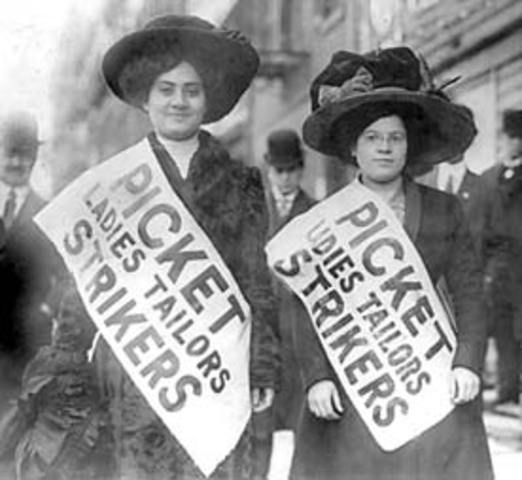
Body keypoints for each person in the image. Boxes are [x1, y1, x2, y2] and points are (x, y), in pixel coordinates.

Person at [290, 47, 493, 480]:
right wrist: (316, 378)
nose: (384, 148)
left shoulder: (444, 210)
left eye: (395, 138)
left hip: (431, 381)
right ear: (352, 148)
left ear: (409, 146)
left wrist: (467, 362)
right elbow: (304, 307)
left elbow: (471, 294)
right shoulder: (320, 223)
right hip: (353, 387)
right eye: (372, 137)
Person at [94, 14, 280, 479]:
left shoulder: (243, 183)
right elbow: (85, 292)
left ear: (208, 98)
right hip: (142, 378)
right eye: (166, 89)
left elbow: (257, 281)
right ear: (145, 97)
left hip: (220, 374)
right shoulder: (114, 187)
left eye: (192, 90)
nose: (179, 101)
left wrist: (261, 364)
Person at [251, 129, 315, 479]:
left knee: (305, 430)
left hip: (300, 339)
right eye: (280, 170)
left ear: (302, 169)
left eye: (292, 170)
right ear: (268, 169)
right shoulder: (251, 212)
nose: (286, 177)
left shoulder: (317, 214)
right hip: (260, 340)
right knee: (260, 430)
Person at [0, 111, 60, 416]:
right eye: (10, 153)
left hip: (25, 348)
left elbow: (67, 278)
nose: (16, 163)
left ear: (35, 158)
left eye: (25, 155)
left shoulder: (48, 214)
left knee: (16, 429)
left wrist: (46, 310)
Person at [481, 108, 522, 407]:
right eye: (507, 137)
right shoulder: (489, 178)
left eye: (513, 137)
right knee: (504, 332)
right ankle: (508, 392)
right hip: (499, 270)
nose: (508, 143)